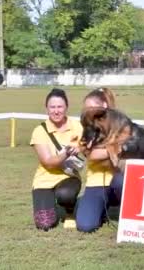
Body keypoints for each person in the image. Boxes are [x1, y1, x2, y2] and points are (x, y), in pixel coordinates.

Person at [30, 88, 82, 231]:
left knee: (65, 195)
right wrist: (67, 152)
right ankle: (47, 200)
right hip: (44, 179)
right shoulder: (39, 131)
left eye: (60, 107)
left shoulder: (77, 126)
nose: (56, 111)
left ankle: (70, 211)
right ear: (46, 108)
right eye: (52, 107)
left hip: (68, 176)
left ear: (66, 107)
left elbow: (90, 144)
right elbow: (48, 162)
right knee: (44, 224)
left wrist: (82, 148)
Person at [75, 87, 124, 232]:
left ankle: (129, 209)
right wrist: (112, 149)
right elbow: (91, 155)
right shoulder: (85, 127)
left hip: (118, 177)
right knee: (85, 226)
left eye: (92, 107)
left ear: (104, 106)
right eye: (86, 108)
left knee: (120, 181)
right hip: (96, 180)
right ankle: (100, 207)